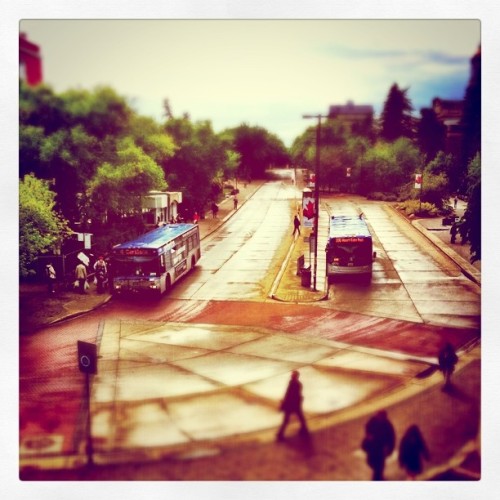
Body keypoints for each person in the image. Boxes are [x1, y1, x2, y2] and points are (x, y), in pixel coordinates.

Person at [361, 410, 396, 480]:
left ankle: (378, 478)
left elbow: (391, 437)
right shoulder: (372, 423)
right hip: (374, 450)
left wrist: (390, 449)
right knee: (376, 466)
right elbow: (391, 437)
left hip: (380, 450)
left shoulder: (387, 425)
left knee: (379, 467)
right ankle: (378, 478)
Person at [276, 370, 309, 441]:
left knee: (286, 420)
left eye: (292, 375)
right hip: (294, 404)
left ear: (296, 376)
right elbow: (289, 394)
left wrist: (284, 402)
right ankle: (304, 429)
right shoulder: (295, 383)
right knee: (299, 417)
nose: (291, 376)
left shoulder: (295, 384)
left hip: (291, 404)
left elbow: (290, 395)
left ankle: (280, 434)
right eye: (291, 375)